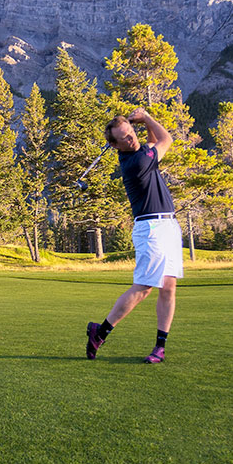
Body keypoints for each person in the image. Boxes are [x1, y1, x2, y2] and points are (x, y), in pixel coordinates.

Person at [86, 108, 182, 363]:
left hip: (169, 225)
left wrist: (142, 125)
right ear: (116, 145)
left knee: (169, 287)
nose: (132, 139)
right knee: (145, 287)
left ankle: (159, 347)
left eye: (132, 133)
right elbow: (165, 140)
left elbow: (151, 142)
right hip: (150, 228)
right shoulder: (135, 162)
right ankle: (101, 331)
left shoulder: (141, 152)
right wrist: (147, 117)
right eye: (125, 138)